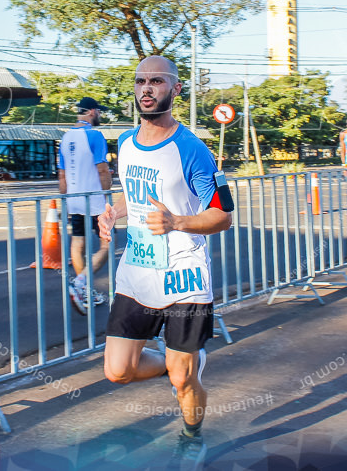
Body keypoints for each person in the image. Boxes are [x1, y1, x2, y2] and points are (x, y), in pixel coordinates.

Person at [97, 55, 233, 466]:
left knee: (185, 379)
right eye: (140, 81)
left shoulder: (192, 150)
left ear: (175, 89)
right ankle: (176, 370)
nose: (146, 88)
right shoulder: (124, 142)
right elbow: (135, 190)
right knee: (117, 371)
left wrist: (178, 221)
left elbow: (222, 215)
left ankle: (193, 436)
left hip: (184, 277)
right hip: (137, 272)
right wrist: (114, 211)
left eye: (157, 81)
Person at [59, 96, 113, 314]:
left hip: (74, 199)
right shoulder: (95, 135)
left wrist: (65, 200)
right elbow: (102, 169)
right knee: (106, 246)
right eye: (99, 112)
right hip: (96, 199)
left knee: (78, 243)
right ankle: (80, 283)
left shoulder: (65, 137)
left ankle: (84, 290)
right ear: (92, 112)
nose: (100, 115)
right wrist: (107, 194)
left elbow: (61, 176)